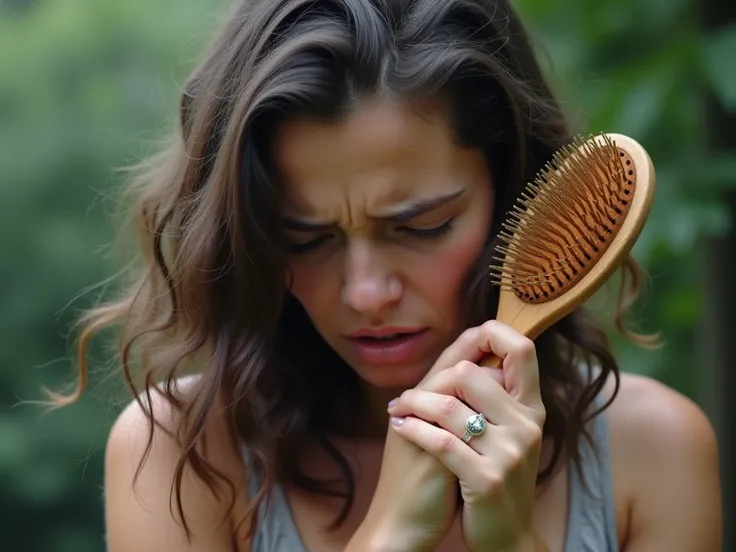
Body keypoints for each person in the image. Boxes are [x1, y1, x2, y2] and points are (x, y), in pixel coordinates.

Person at [65, 0, 722, 550]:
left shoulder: (653, 453)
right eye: (307, 238)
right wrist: (389, 535)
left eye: (421, 226)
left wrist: (513, 541)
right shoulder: (183, 457)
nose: (366, 292)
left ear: (513, 189)